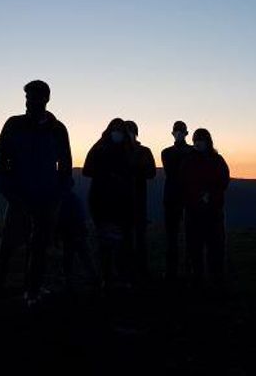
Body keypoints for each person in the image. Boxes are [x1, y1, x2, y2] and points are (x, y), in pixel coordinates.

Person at [0, 80, 73, 307]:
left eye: (35, 98)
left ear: (46, 99)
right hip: (19, 198)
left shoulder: (58, 129)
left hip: (46, 200)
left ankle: (32, 294)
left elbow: (65, 166)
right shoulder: (13, 125)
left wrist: (57, 196)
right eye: (28, 98)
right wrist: (10, 193)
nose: (30, 102)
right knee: (7, 247)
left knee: (39, 249)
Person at [82, 118, 135, 289]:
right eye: (115, 130)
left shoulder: (128, 150)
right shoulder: (100, 148)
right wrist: (106, 175)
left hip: (122, 203)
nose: (117, 133)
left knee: (122, 242)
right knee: (106, 242)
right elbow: (87, 170)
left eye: (120, 130)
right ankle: (107, 278)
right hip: (102, 201)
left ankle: (121, 277)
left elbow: (134, 174)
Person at [182, 128, 230, 287]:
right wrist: (196, 196)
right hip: (194, 211)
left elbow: (223, 181)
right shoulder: (188, 160)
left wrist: (210, 194)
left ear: (208, 142)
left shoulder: (217, 160)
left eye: (201, 140)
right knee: (194, 248)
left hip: (213, 211)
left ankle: (216, 280)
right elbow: (183, 183)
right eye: (195, 140)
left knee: (215, 248)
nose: (198, 143)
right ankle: (197, 279)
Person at [161, 121, 193, 282]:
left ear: (185, 133)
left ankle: (186, 271)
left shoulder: (168, 152)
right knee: (172, 237)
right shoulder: (169, 152)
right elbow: (174, 170)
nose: (179, 134)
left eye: (180, 131)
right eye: (177, 131)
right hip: (175, 197)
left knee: (189, 236)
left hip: (183, 197)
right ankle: (172, 271)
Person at [126, 120, 156, 282]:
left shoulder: (144, 151)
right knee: (125, 238)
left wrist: (136, 169)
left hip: (138, 201)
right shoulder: (118, 152)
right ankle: (127, 271)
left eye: (130, 131)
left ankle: (141, 271)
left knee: (139, 238)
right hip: (122, 202)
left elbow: (151, 173)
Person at [56, 189, 98, 293]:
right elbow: (80, 216)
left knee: (69, 257)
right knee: (84, 255)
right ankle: (93, 277)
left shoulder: (63, 200)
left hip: (70, 232)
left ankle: (70, 281)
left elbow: (61, 218)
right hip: (76, 231)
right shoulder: (74, 199)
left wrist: (58, 233)